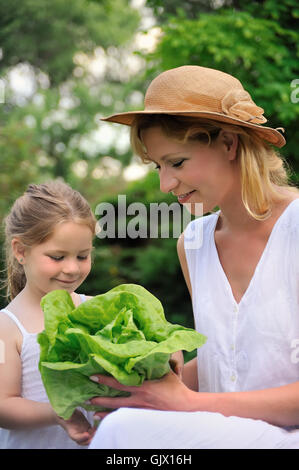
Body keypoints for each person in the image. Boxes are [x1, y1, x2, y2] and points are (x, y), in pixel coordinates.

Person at [87, 65, 299, 449]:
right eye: (158, 167)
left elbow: (199, 402)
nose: (166, 184)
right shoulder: (194, 242)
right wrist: (144, 389)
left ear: (229, 144)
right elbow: (229, 362)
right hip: (226, 433)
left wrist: (189, 404)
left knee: (122, 434)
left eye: (177, 162)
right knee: (117, 424)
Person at [0, 180, 98, 449]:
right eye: (57, 257)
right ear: (21, 251)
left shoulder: (97, 310)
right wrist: (57, 414)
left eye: (82, 256)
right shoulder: (6, 327)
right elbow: (3, 405)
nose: (72, 269)